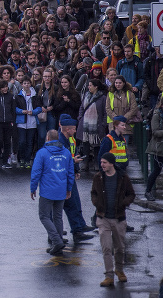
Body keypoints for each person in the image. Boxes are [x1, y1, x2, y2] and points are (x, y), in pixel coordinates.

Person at [91, 152, 135, 287]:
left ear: (111, 163)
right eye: (101, 162)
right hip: (103, 217)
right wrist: (97, 203)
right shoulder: (98, 177)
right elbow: (93, 193)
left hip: (118, 218)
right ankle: (109, 276)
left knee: (120, 247)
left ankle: (119, 270)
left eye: (104, 162)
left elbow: (131, 194)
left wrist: (123, 203)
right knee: (106, 248)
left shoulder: (122, 177)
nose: (102, 165)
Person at [30, 130, 75, 255]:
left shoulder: (42, 153)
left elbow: (36, 173)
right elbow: (70, 173)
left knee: (44, 216)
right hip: (61, 190)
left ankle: (56, 241)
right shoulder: (66, 152)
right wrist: (69, 189)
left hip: (47, 191)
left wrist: (33, 188)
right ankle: (58, 241)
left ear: (48, 138)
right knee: (58, 217)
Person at [58, 114, 95, 241]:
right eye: (74, 129)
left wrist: (75, 169)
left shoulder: (68, 139)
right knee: (69, 205)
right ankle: (75, 231)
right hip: (62, 178)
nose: (75, 131)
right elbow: (60, 160)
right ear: (68, 129)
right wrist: (73, 163)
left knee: (74, 203)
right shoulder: (60, 141)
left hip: (68, 176)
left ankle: (78, 228)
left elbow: (71, 156)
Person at [146, 99, 162, 201]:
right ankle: (148, 191)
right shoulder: (157, 115)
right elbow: (155, 132)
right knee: (156, 170)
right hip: (158, 148)